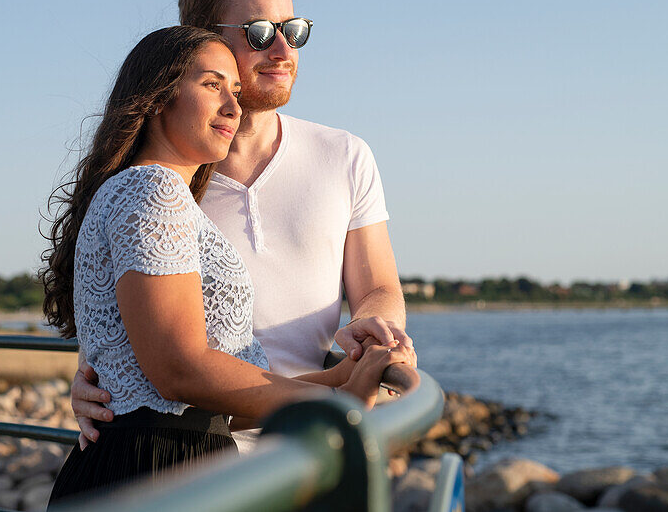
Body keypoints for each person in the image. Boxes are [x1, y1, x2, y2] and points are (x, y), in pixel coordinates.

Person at [40, 26, 411, 504]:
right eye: (213, 85)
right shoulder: (152, 189)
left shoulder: (162, 196)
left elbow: (211, 400)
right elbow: (180, 371)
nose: (234, 108)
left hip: (176, 460)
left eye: (235, 91)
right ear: (157, 97)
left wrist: (340, 380)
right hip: (156, 470)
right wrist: (331, 400)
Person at [72, 0, 415, 452]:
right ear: (199, 42)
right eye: (259, 33)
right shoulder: (168, 182)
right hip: (195, 455)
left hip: (305, 448)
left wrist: (370, 331)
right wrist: (99, 381)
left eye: (293, 31)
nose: (283, 51)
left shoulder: (344, 154)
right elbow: (145, 335)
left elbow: (379, 287)